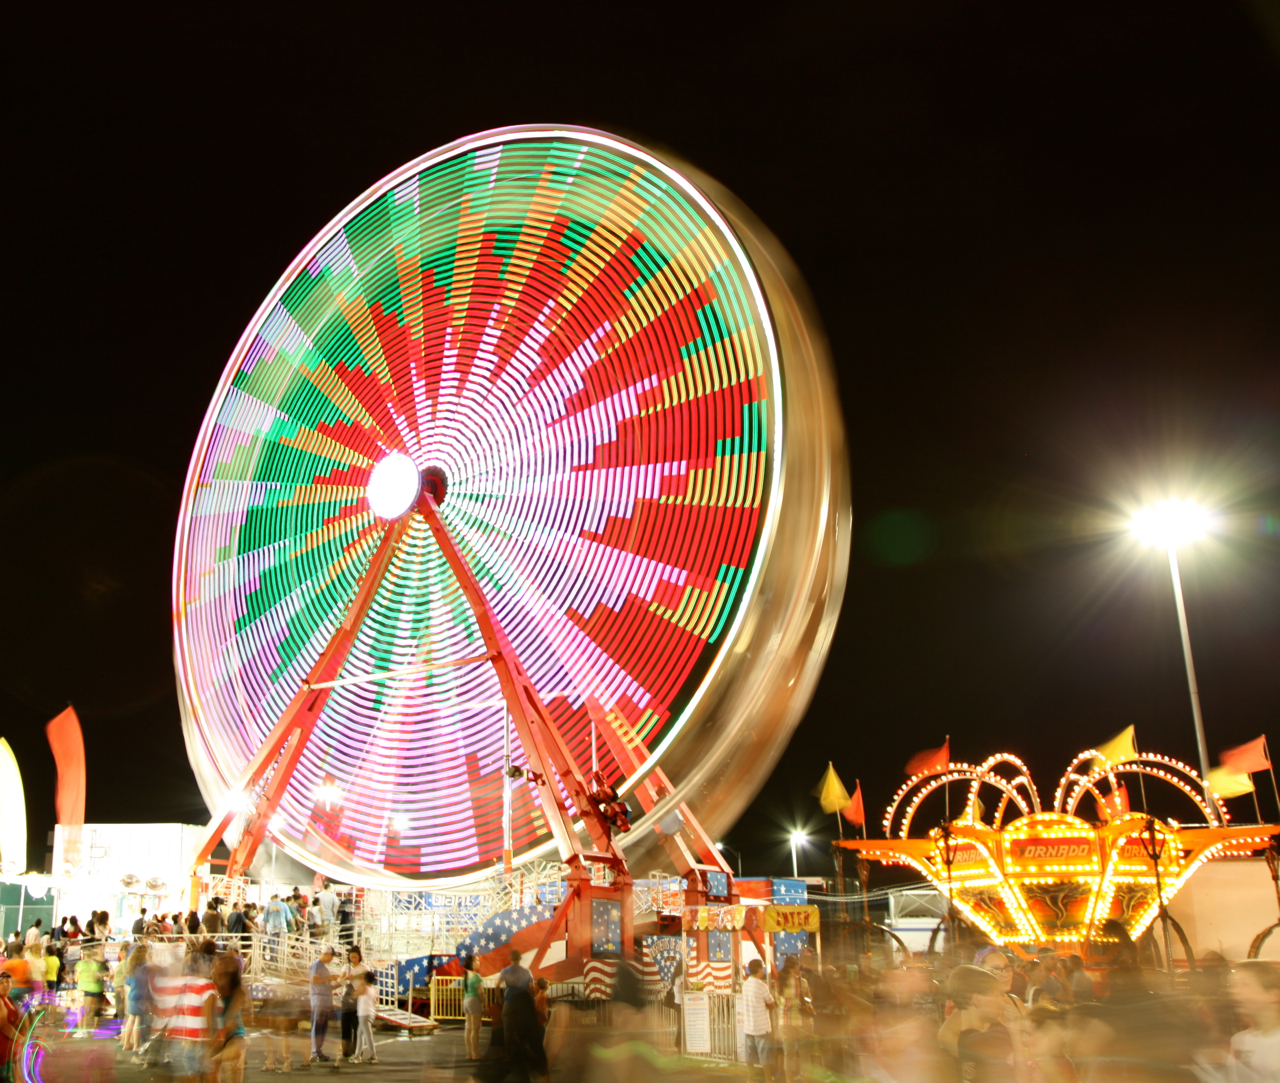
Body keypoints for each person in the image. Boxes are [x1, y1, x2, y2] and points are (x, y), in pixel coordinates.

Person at [1230, 960, 1280, 1078]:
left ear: (1273, 994)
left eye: (1244, 984)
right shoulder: (1239, 1041)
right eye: (1233, 985)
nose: (1234, 991)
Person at [212, 954, 250, 1083]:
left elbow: (230, 1020)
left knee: (232, 1070)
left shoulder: (238, 990)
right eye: (220, 966)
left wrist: (217, 1043)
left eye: (228, 967)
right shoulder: (210, 986)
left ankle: (239, 1054)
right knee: (211, 1073)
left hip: (233, 1034)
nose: (224, 970)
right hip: (213, 1032)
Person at [777, 954, 813, 1083]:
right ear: (796, 966)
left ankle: (789, 1080)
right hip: (803, 1022)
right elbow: (809, 1000)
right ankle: (807, 1080)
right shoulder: (802, 982)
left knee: (789, 1054)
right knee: (805, 1054)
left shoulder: (780, 982)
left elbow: (778, 1002)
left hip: (786, 1023)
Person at [741, 958, 775, 1082]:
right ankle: (768, 1079)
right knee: (765, 1056)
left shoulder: (745, 984)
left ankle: (750, 1079)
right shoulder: (762, 986)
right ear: (760, 969)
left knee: (750, 1057)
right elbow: (771, 1004)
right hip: (762, 1027)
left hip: (749, 1026)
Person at [498, 949, 534, 1060]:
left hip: (509, 1002)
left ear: (510, 958)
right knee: (522, 1029)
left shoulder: (505, 971)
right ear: (520, 958)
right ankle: (523, 1053)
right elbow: (532, 988)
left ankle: (507, 1054)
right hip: (522, 1003)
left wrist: (500, 999)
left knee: (508, 1031)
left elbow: (497, 986)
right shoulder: (527, 971)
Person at [308, 946, 340, 1063]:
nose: (331, 959)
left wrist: (339, 983)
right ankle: (314, 1051)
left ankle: (318, 1050)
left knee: (322, 1026)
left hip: (324, 1000)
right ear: (327, 954)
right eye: (331, 956)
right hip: (319, 999)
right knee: (318, 1026)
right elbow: (315, 981)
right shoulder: (317, 965)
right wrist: (328, 978)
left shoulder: (323, 967)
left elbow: (327, 986)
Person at [119, 942, 150, 1059]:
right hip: (141, 996)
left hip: (131, 995)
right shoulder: (145, 967)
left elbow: (127, 982)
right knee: (138, 1021)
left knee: (131, 1019)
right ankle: (136, 1045)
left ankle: (126, 1043)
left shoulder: (131, 967)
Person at [338, 946, 370, 1059]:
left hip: (359, 1000)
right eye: (351, 957)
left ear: (359, 957)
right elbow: (341, 980)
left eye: (355, 957)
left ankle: (357, 1051)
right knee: (345, 1026)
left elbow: (368, 981)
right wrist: (347, 977)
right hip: (346, 1000)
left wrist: (356, 977)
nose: (353, 959)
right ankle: (345, 1051)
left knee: (357, 1027)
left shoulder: (364, 967)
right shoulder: (346, 967)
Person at [76, 946, 108, 1033]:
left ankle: (80, 1030)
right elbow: (95, 976)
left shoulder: (80, 964)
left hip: (82, 988)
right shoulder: (94, 964)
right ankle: (85, 1029)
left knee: (81, 1011)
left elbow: (76, 977)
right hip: (93, 988)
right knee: (86, 1010)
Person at [351, 972, 378, 1065]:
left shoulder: (364, 987)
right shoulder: (373, 988)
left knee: (367, 1035)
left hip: (364, 1014)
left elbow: (354, 995)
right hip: (369, 1012)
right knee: (359, 1034)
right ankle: (357, 1056)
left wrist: (360, 982)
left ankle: (373, 1056)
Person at [462, 955, 484, 1061]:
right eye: (477, 960)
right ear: (472, 963)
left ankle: (469, 1053)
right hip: (474, 1001)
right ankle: (476, 1054)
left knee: (468, 1028)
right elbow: (481, 992)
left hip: (466, 1001)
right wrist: (485, 1002)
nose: (479, 962)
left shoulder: (465, 976)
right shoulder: (477, 976)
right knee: (475, 1029)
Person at [0, 971, 21, 1083]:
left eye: (7, 982)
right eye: (1, 983)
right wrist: (21, 1040)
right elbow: (3, 1026)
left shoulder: (9, 1000)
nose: (5, 985)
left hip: (10, 1048)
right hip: (3, 1049)